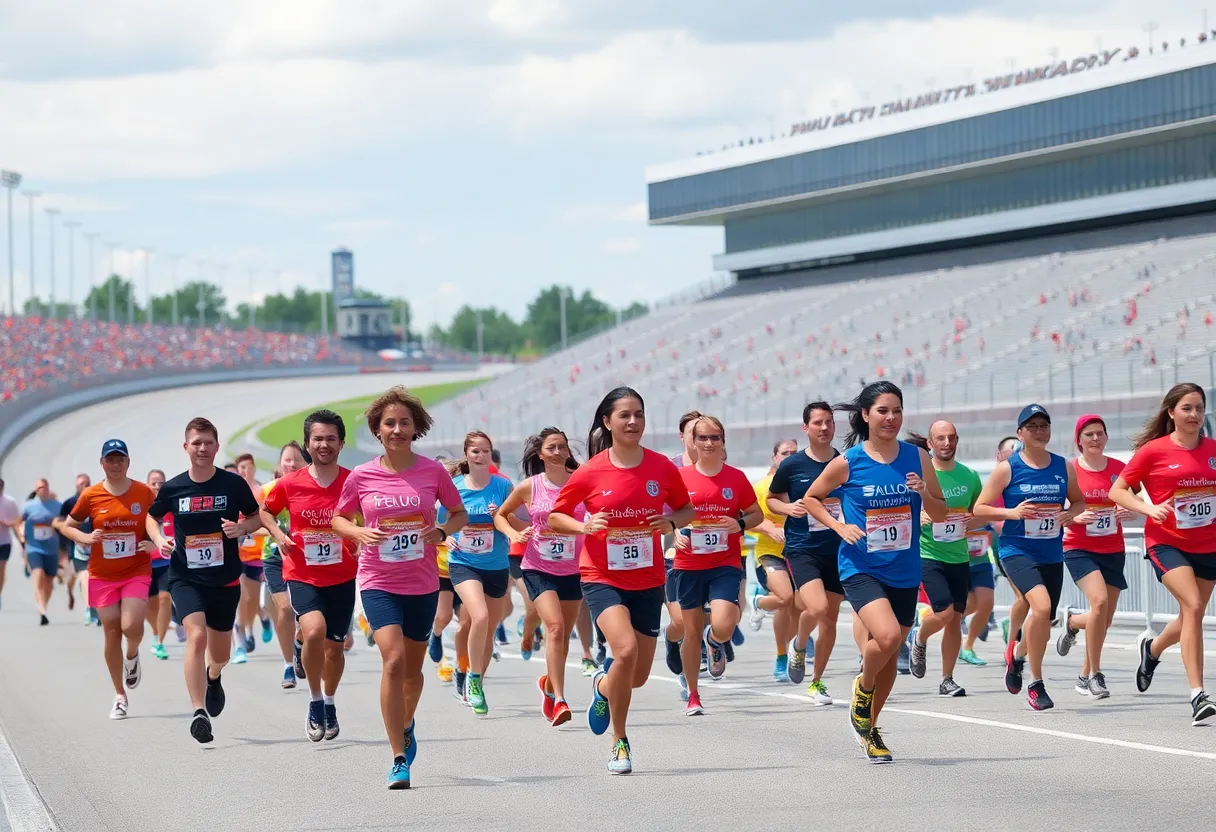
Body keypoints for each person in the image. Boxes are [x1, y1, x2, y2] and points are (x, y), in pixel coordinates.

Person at [550, 387, 694, 774]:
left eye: (639, 415)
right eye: (625, 415)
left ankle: (601, 687)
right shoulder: (590, 471)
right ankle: (620, 742)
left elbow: (686, 508)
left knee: (639, 677)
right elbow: (555, 517)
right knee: (624, 651)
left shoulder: (662, 467)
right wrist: (584, 525)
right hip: (601, 577)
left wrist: (672, 521)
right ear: (607, 422)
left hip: (647, 578)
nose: (633, 422)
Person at [804, 381, 947, 763]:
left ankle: (868, 727)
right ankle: (862, 691)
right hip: (860, 565)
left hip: (904, 567)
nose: (891, 418)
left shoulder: (918, 458)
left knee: (889, 657)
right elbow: (811, 499)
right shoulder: (848, 462)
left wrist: (923, 494)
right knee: (884, 637)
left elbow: (941, 514)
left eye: (897, 411)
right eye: (883, 411)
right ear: (866, 415)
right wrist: (839, 527)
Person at [332, 387, 468, 788]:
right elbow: (339, 519)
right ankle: (397, 757)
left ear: (416, 428)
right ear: (377, 429)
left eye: (404, 423)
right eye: (389, 423)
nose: (396, 429)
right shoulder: (362, 475)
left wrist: (442, 529)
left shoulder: (433, 472)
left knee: (412, 671)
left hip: (422, 583)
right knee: (392, 662)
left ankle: (406, 721)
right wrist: (358, 530)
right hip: (378, 581)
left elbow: (458, 513)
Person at [145, 417, 267, 744]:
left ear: (216, 446)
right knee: (195, 635)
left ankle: (214, 676)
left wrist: (242, 528)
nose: (202, 448)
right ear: (186, 448)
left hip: (225, 580)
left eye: (207, 443)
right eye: (195, 443)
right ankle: (198, 711)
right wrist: (158, 539)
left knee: (221, 654)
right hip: (185, 577)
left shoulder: (232, 485)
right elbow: (151, 518)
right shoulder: (173, 488)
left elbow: (256, 516)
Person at [1111, 383, 1216, 724]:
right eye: (1187, 408)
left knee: (1191, 616)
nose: (1194, 415)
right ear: (1171, 412)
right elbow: (1118, 490)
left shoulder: (1213, 449)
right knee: (1194, 606)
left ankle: (1152, 649)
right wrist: (1146, 507)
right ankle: (1198, 694)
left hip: (1209, 545)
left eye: (1199, 408)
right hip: (1167, 542)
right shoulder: (1153, 451)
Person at [974, 404, 1085, 711]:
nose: (1039, 431)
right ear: (1020, 433)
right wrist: (1012, 512)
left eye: (1044, 425)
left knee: (1044, 620)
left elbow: (1078, 502)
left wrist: (1068, 515)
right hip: (1017, 550)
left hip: (1050, 551)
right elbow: (980, 508)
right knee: (1042, 606)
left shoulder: (1063, 466)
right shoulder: (1008, 468)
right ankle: (1036, 683)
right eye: (1032, 426)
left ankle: (1017, 653)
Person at [262, 411, 357, 742]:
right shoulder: (290, 483)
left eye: (331, 438)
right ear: (307, 444)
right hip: (301, 572)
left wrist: (358, 537)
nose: (324, 444)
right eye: (317, 439)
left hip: (343, 574)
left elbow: (367, 515)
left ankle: (330, 701)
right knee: (313, 630)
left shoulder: (352, 480)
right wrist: (277, 533)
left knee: (336, 648)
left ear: (341, 443)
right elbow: (264, 510)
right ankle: (315, 700)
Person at [59, 440, 157, 719]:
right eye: (110, 460)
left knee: (132, 626)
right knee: (111, 632)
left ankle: (133, 654)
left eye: (120, 460)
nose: (115, 465)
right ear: (102, 463)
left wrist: (153, 542)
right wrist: (86, 538)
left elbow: (155, 520)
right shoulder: (91, 495)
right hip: (102, 574)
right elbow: (68, 526)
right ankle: (119, 695)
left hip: (136, 569)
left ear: (128, 463)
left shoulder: (143, 492)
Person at [671, 416, 762, 715]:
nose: (709, 443)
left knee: (724, 623)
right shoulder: (680, 477)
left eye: (715, 438)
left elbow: (755, 515)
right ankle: (693, 694)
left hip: (724, 561)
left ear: (723, 441)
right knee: (690, 631)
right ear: (693, 442)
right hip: (688, 564)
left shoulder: (735, 478)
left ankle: (716, 641)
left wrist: (738, 524)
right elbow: (667, 515)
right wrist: (674, 533)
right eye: (703, 438)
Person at [494, 428, 586, 725]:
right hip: (538, 566)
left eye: (563, 447)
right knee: (556, 628)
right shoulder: (530, 487)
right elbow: (501, 515)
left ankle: (548, 684)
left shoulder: (580, 483)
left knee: (563, 639)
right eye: (552, 447)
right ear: (540, 454)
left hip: (573, 568)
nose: (559, 452)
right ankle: (560, 700)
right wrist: (513, 533)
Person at [767, 401, 844, 702]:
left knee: (830, 620)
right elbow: (772, 499)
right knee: (818, 607)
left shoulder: (845, 461)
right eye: (817, 423)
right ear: (805, 428)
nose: (824, 428)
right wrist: (787, 507)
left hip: (838, 548)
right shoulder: (792, 465)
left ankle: (817, 682)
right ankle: (799, 645)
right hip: (803, 548)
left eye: (829, 422)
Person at [906, 421, 983, 697]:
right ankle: (920, 635)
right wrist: (920, 516)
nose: (947, 443)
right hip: (928, 554)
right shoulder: (919, 477)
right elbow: (902, 512)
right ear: (930, 443)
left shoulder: (970, 476)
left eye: (951, 438)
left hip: (959, 556)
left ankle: (947, 678)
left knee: (954, 620)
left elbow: (980, 512)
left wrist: (970, 518)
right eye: (940, 438)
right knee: (944, 612)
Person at [1057, 414, 1131, 699]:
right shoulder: (1069, 470)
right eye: (1089, 434)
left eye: (1100, 433)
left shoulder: (1119, 469)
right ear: (1079, 440)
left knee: (1104, 619)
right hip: (1079, 548)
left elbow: (1132, 502)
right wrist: (1076, 518)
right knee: (1099, 602)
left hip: (1113, 549)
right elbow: (1060, 514)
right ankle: (1096, 676)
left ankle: (1075, 627)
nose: (1095, 438)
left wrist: (1127, 512)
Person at [443, 432, 512, 716]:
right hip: (463, 563)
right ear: (467, 455)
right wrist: (445, 538)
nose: (481, 456)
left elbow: (520, 519)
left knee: (488, 632)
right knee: (479, 617)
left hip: (496, 565)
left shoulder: (503, 486)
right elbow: (439, 522)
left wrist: (501, 517)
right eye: (475, 451)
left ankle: (477, 683)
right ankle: (471, 676)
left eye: (485, 451)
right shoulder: (454, 486)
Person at [748, 439, 798, 682]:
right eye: (784, 453)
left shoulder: (803, 485)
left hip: (799, 553)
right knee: (785, 599)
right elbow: (748, 518)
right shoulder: (762, 487)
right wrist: (768, 528)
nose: (789, 457)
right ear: (774, 457)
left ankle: (790, 653)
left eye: (794, 453)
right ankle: (759, 603)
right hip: (769, 552)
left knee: (797, 607)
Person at [262, 442, 310, 689]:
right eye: (287, 460)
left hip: (306, 559)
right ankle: (288, 666)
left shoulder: (312, 489)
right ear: (280, 464)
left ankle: (298, 646)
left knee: (304, 616)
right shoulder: (269, 489)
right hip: (275, 557)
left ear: (306, 462)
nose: (291, 464)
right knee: (284, 609)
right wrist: (277, 534)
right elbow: (254, 520)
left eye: (296, 460)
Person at [232, 453, 269, 664]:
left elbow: (267, 524)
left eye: (247, 467)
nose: (245, 471)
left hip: (261, 555)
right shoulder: (234, 493)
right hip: (241, 557)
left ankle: (260, 620)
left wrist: (250, 530)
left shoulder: (263, 492)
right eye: (241, 468)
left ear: (254, 467)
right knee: (243, 599)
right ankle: (242, 639)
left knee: (253, 600)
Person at [21, 479, 62, 625]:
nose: (41, 489)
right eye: (38, 487)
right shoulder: (28, 506)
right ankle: (42, 611)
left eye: (43, 487)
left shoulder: (57, 506)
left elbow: (65, 524)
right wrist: (22, 536)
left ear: (48, 488)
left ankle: (43, 606)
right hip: (34, 549)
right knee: (38, 577)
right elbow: (20, 522)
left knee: (49, 584)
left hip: (51, 550)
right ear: (35, 490)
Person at [145, 470, 174, 660]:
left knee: (164, 598)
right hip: (145, 564)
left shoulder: (170, 505)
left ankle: (160, 642)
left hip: (166, 561)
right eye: (154, 483)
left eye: (161, 483)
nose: (157, 487)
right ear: (147, 484)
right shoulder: (141, 507)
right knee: (149, 604)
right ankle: (155, 630)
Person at [54, 473, 91, 616]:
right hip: (74, 547)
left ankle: (90, 608)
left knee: (88, 578)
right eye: (81, 484)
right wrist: (72, 531)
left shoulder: (95, 500)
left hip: (93, 546)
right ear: (76, 486)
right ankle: (70, 591)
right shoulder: (70, 503)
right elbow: (57, 522)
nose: (84, 487)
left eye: (86, 484)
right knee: (79, 577)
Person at [0, 478, 20, 609]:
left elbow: (17, 521)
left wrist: (5, 523)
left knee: (1, 569)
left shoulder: (10, 502)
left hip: (5, 541)